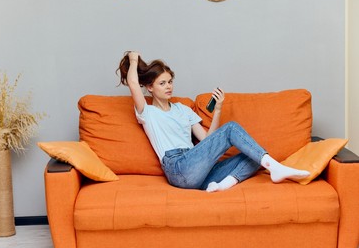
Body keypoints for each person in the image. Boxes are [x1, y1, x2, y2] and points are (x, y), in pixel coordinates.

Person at [117, 51, 310, 192]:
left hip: (199, 170)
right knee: (232, 128)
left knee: (252, 153)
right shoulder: (147, 112)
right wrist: (133, 59)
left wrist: (217, 109)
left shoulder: (183, 110)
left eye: (170, 82)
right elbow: (134, 83)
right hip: (178, 167)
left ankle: (222, 185)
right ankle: (275, 167)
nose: (168, 87)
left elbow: (207, 139)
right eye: (162, 83)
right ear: (150, 87)